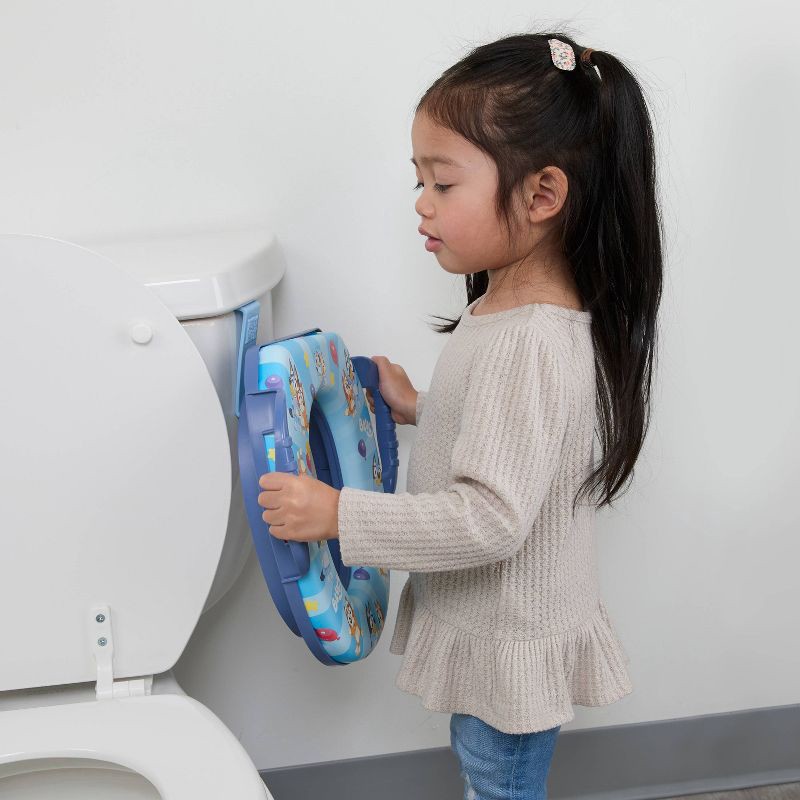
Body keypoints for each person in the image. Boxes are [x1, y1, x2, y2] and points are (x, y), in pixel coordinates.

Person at [258, 30, 663, 800]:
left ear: (541, 196)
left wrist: (341, 514)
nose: (422, 203)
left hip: (510, 638)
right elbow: (512, 441)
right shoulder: (509, 309)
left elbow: (489, 517)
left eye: (443, 183)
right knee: (489, 776)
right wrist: (421, 406)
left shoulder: (530, 340)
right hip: (501, 630)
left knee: (497, 785)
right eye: (419, 180)